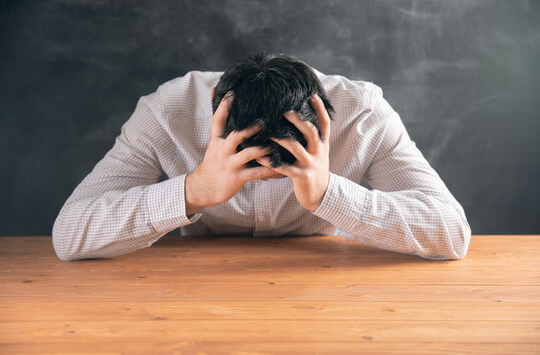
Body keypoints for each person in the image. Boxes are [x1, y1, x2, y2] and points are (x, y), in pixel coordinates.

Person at [52, 52, 471, 261]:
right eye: (249, 156)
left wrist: (330, 194)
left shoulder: (362, 112)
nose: (269, 173)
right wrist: (192, 191)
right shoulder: (167, 111)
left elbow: (452, 233)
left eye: (288, 158)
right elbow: (69, 234)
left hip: (330, 292)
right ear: (216, 106)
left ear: (323, 115)